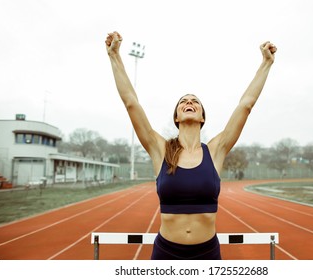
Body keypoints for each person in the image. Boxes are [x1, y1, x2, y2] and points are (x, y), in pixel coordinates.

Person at [105, 31, 277, 260]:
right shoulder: (161, 149)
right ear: (176, 117)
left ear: (202, 117)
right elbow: (131, 103)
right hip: (166, 253)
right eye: (183, 101)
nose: (189, 102)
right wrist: (114, 56)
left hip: (207, 254)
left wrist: (266, 63)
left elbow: (246, 105)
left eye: (195, 101)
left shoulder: (216, 150)